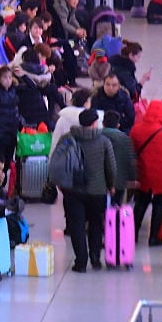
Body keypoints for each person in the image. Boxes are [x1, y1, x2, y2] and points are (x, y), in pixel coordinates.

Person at [61, 109, 117, 272]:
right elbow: (111, 166)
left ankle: (81, 262)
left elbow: (60, 163)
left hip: (73, 189)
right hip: (97, 190)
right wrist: (111, 185)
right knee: (95, 224)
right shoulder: (104, 141)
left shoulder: (68, 139)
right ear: (94, 123)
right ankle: (95, 258)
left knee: (77, 225)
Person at [130, 100, 162, 247]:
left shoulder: (136, 129)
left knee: (141, 203)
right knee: (158, 205)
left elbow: (132, 151)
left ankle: (133, 234)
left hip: (143, 174)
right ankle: (153, 238)